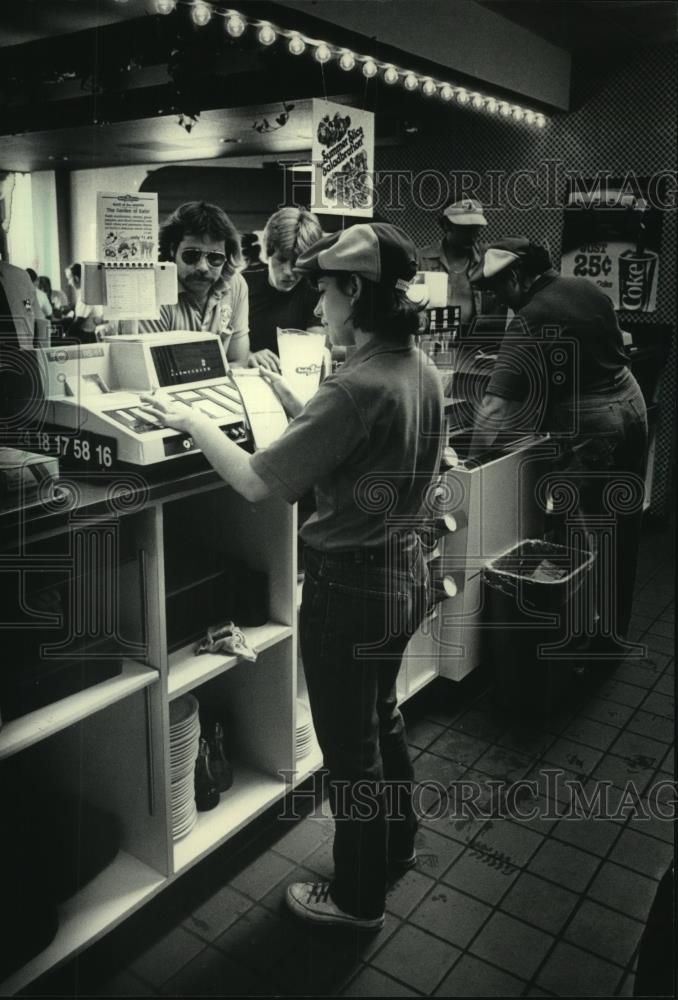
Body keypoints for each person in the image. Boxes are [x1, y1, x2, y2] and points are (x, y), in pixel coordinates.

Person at [140, 222, 444, 930]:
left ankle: (357, 898)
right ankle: (396, 846)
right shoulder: (415, 367)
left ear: (355, 292)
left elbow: (253, 483)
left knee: (351, 757)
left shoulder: (355, 386)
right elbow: (359, 442)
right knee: (384, 719)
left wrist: (191, 418)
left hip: (350, 590)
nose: (316, 307)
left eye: (327, 290)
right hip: (406, 574)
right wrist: (290, 399)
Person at [470, 236, 648, 645]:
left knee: (579, 529)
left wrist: (472, 464)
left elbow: (494, 408)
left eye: (498, 289)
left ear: (516, 276)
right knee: (622, 522)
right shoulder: (587, 289)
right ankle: (612, 629)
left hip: (593, 425)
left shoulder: (530, 317)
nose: (498, 300)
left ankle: (579, 639)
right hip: (631, 403)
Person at [138, 201, 249, 366]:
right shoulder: (152, 291)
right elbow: (156, 373)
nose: (203, 267)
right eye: (191, 255)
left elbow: (238, 361)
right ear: (172, 250)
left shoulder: (236, 284)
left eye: (215, 258)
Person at [244, 207, 324, 372]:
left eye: (297, 263)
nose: (289, 272)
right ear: (267, 254)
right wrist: (247, 356)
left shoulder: (315, 291)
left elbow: (313, 354)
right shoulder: (242, 285)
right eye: (281, 259)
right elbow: (222, 342)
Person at [417, 197, 502, 334]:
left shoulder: (488, 260)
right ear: (446, 225)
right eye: (466, 228)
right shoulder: (421, 259)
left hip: (476, 343)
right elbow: (402, 294)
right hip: (433, 342)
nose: (473, 235)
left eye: (476, 227)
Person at [1, 259, 48, 444]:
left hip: (25, 372)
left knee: (23, 442)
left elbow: (40, 322)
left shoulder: (20, 276)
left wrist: (45, 363)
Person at [64, 262, 105, 343]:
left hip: (86, 336)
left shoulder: (86, 294)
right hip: (88, 335)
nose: (69, 283)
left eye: (69, 278)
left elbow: (79, 320)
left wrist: (66, 336)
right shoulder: (88, 291)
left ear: (76, 278)